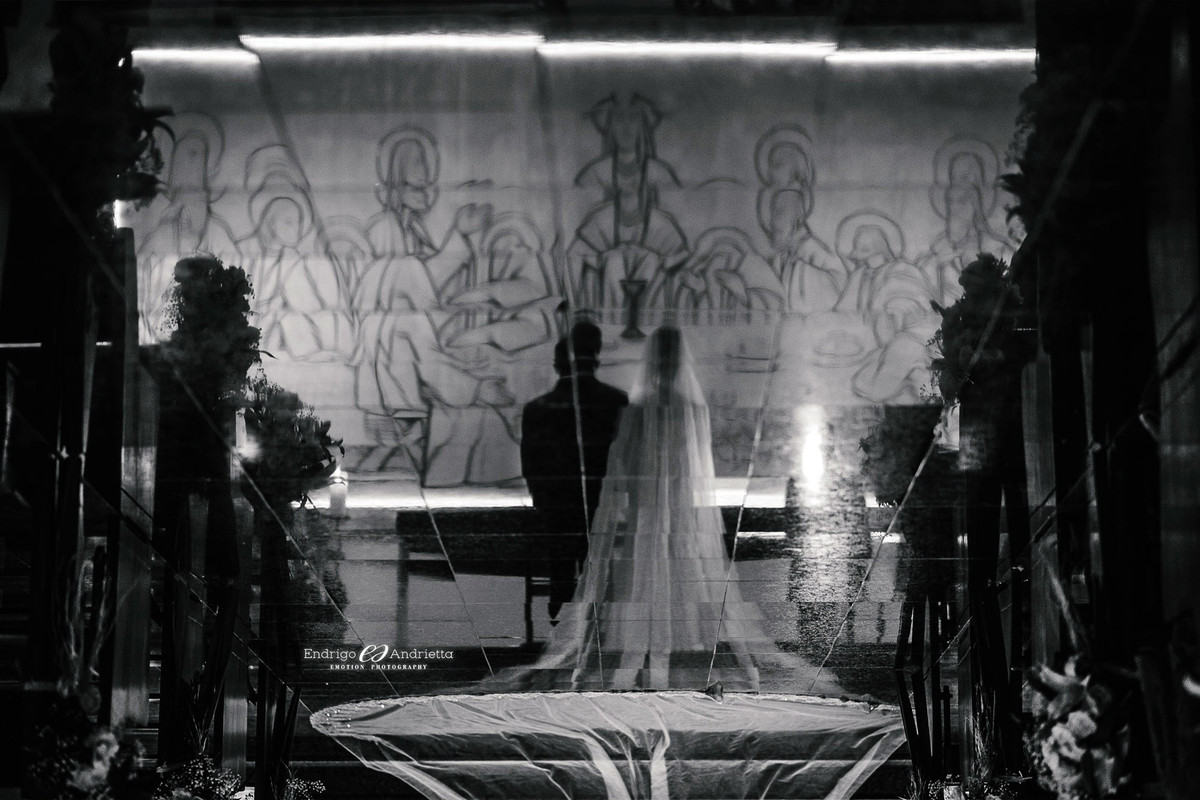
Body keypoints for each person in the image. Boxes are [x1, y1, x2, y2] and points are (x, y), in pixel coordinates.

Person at [520, 322, 628, 620]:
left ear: (557, 365)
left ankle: (561, 622)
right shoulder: (617, 401)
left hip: (556, 502)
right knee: (601, 566)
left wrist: (542, 499)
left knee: (561, 568)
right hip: (602, 499)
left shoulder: (537, 408)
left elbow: (531, 462)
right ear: (596, 359)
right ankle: (599, 623)